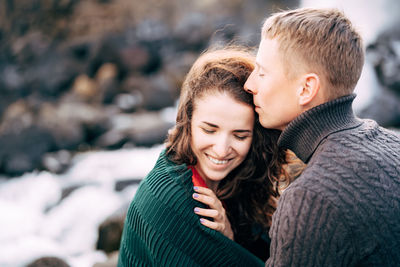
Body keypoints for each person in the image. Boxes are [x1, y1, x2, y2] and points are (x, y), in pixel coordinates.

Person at [244, 7, 400, 266]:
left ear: (306, 89)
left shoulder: (310, 198)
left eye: (261, 72)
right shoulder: (394, 145)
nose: (249, 84)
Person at [117, 47, 298, 266]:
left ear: (256, 138)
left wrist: (230, 239)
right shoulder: (171, 198)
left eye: (240, 136)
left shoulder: (236, 183)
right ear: (188, 122)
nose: (222, 149)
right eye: (209, 130)